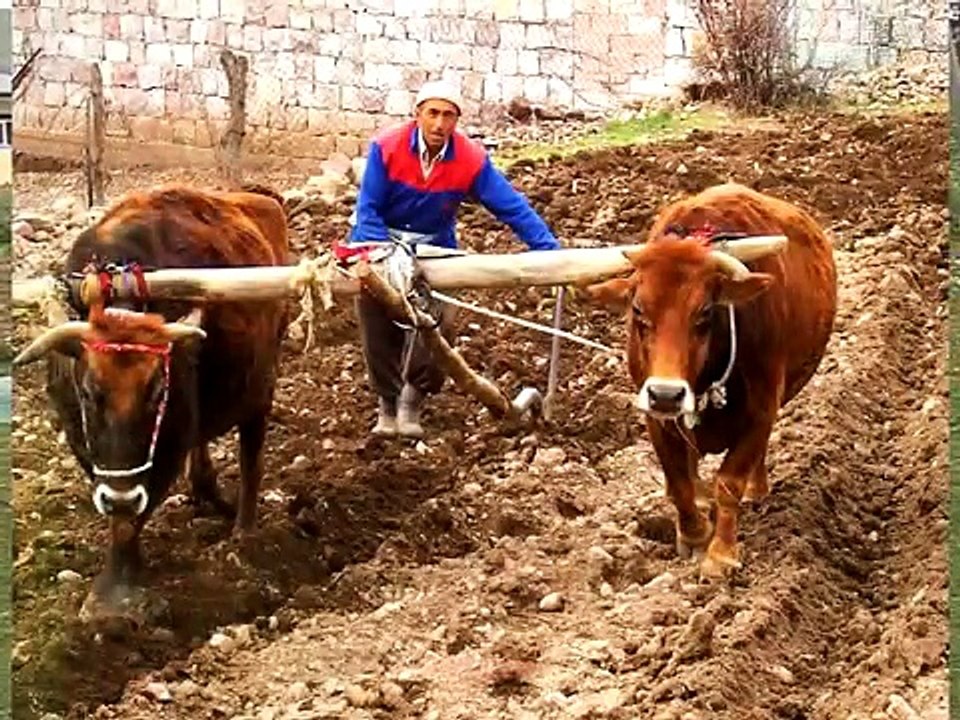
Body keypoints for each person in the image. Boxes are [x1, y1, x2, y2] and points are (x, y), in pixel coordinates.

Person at [341, 79, 561, 440]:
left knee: (437, 321)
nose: (439, 124)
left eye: (448, 116)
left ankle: (413, 400)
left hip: (434, 246)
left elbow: (510, 206)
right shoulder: (386, 147)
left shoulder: (470, 159)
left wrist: (549, 250)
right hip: (382, 241)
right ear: (418, 115)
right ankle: (387, 402)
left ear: (457, 120)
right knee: (376, 317)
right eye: (432, 114)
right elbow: (369, 209)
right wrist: (381, 258)